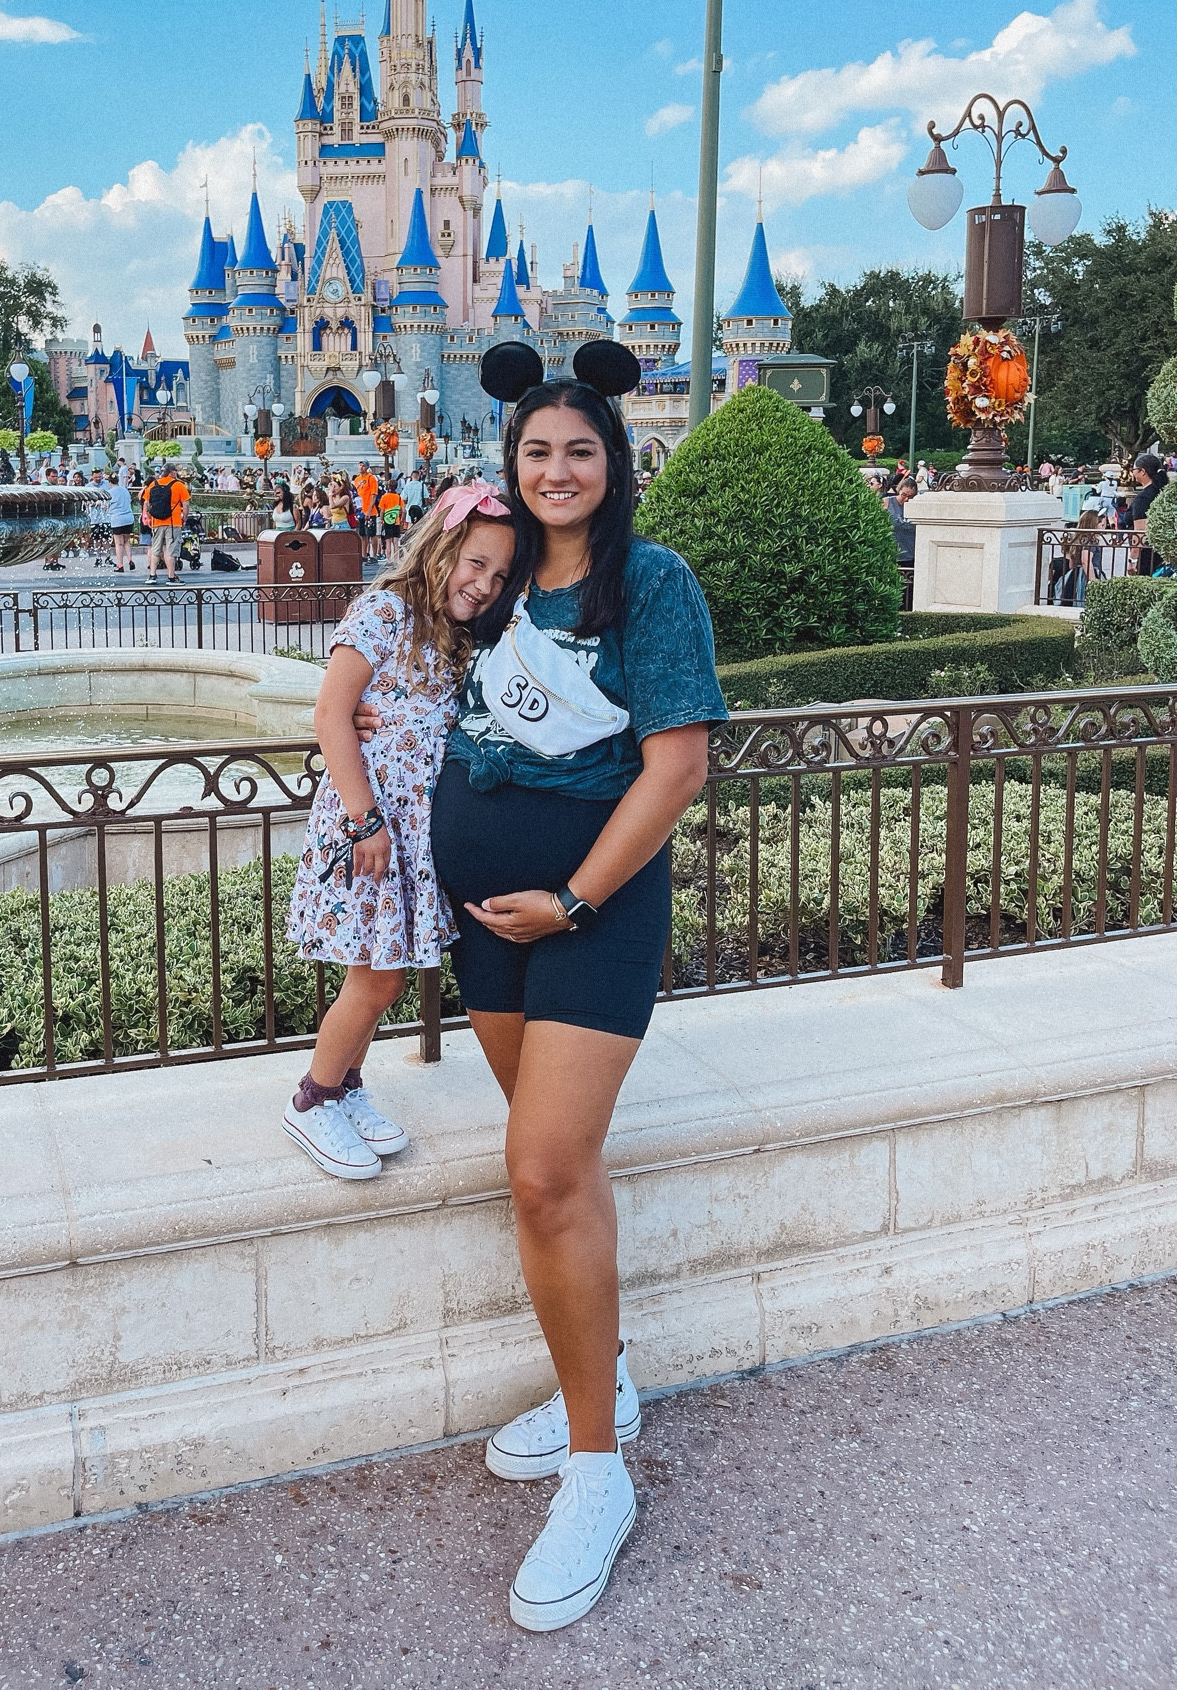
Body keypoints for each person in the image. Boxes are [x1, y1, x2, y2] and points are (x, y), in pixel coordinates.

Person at [424, 338, 726, 1632]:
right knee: (557, 1167)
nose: (556, 469)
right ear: (511, 462)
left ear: (615, 465)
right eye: (536, 450)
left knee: (545, 1169)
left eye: (579, 450)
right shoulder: (487, 580)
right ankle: (599, 1376)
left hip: (588, 913)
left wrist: (581, 898)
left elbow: (676, 767)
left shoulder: (650, 587)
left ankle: (597, 1474)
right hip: (488, 918)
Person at [284, 485, 515, 1178]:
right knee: (380, 978)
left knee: (378, 964)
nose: (484, 584)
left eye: (499, 575)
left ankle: (347, 1086)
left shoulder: (456, 636)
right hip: (371, 826)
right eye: (475, 564)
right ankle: (313, 1098)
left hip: (407, 833)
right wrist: (366, 822)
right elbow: (332, 714)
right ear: (441, 549)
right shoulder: (385, 610)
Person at [142, 461, 190, 581]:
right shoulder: (179, 485)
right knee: (170, 550)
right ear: (172, 472)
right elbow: (186, 505)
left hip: (156, 522)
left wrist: (148, 516)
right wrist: (184, 518)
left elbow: (146, 503)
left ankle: (152, 575)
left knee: (156, 549)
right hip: (173, 522)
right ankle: (171, 577)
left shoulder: (153, 484)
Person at [1130, 452, 1170, 575]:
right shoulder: (1163, 492)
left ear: (1142, 471)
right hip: (1164, 551)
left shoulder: (1143, 498)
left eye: (1134, 469)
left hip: (1147, 554)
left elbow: (1140, 531)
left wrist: (1133, 558)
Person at [103, 468, 136, 572]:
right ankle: (130, 559)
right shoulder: (125, 490)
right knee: (126, 541)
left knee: (118, 543)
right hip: (128, 518)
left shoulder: (109, 492)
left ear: (109, 482)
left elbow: (105, 506)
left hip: (117, 519)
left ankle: (120, 564)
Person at [353, 463, 380, 558]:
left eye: (363, 465)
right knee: (362, 534)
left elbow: (374, 495)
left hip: (370, 511)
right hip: (360, 511)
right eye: (360, 465)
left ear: (367, 467)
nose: (361, 467)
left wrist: (369, 510)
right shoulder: (356, 479)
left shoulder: (371, 478)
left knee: (372, 534)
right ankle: (363, 555)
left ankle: (374, 555)